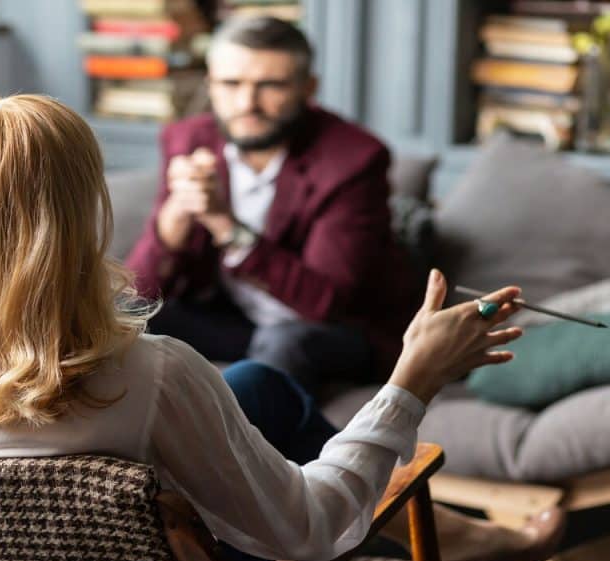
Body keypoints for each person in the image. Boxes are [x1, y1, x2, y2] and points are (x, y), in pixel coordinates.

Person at [0, 95, 564, 561]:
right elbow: (313, 529)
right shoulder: (147, 377)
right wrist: (412, 381)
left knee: (256, 385)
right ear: (79, 218)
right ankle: (452, 536)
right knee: (248, 406)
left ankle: (462, 535)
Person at [126, 16, 418, 391]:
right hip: (235, 321)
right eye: (231, 84)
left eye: (271, 86)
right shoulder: (187, 139)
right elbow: (141, 290)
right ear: (210, 84)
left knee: (285, 342)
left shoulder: (354, 159)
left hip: (333, 330)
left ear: (308, 88)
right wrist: (176, 215)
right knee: (120, 315)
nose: (247, 103)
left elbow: (325, 302)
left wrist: (224, 224)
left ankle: (239, 430)